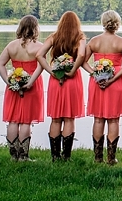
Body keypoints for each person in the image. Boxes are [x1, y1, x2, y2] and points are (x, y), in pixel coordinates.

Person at [82, 10, 122, 165]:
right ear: (117, 23)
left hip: (97, 83)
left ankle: (98, 157)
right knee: (113, 120)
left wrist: (94, 74)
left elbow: (83, 62)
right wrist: (113, 79)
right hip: (116, 83)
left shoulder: (94, 41)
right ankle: (111, 158)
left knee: (98, 119)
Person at [35, 11, 86, 162]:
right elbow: (82, 55)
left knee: (56, 119)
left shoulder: (54, 37)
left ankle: (55, 156)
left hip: (55, 81)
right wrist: (73, 70)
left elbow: (39, 55)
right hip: (72, 81)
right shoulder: (80, 37)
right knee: (69, 118)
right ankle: (66, 156)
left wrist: (51, 71)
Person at [0, 15, 45, 161]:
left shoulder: (12, 45)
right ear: (36, 28)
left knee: (13, 120)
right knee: (25, 120)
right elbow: (41, 65)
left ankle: (13, 157)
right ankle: (23, 156)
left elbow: (0, 64)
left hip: (14, 85)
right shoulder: (39, 47)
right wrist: (30, 82)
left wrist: (9, 82)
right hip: (32, 85)